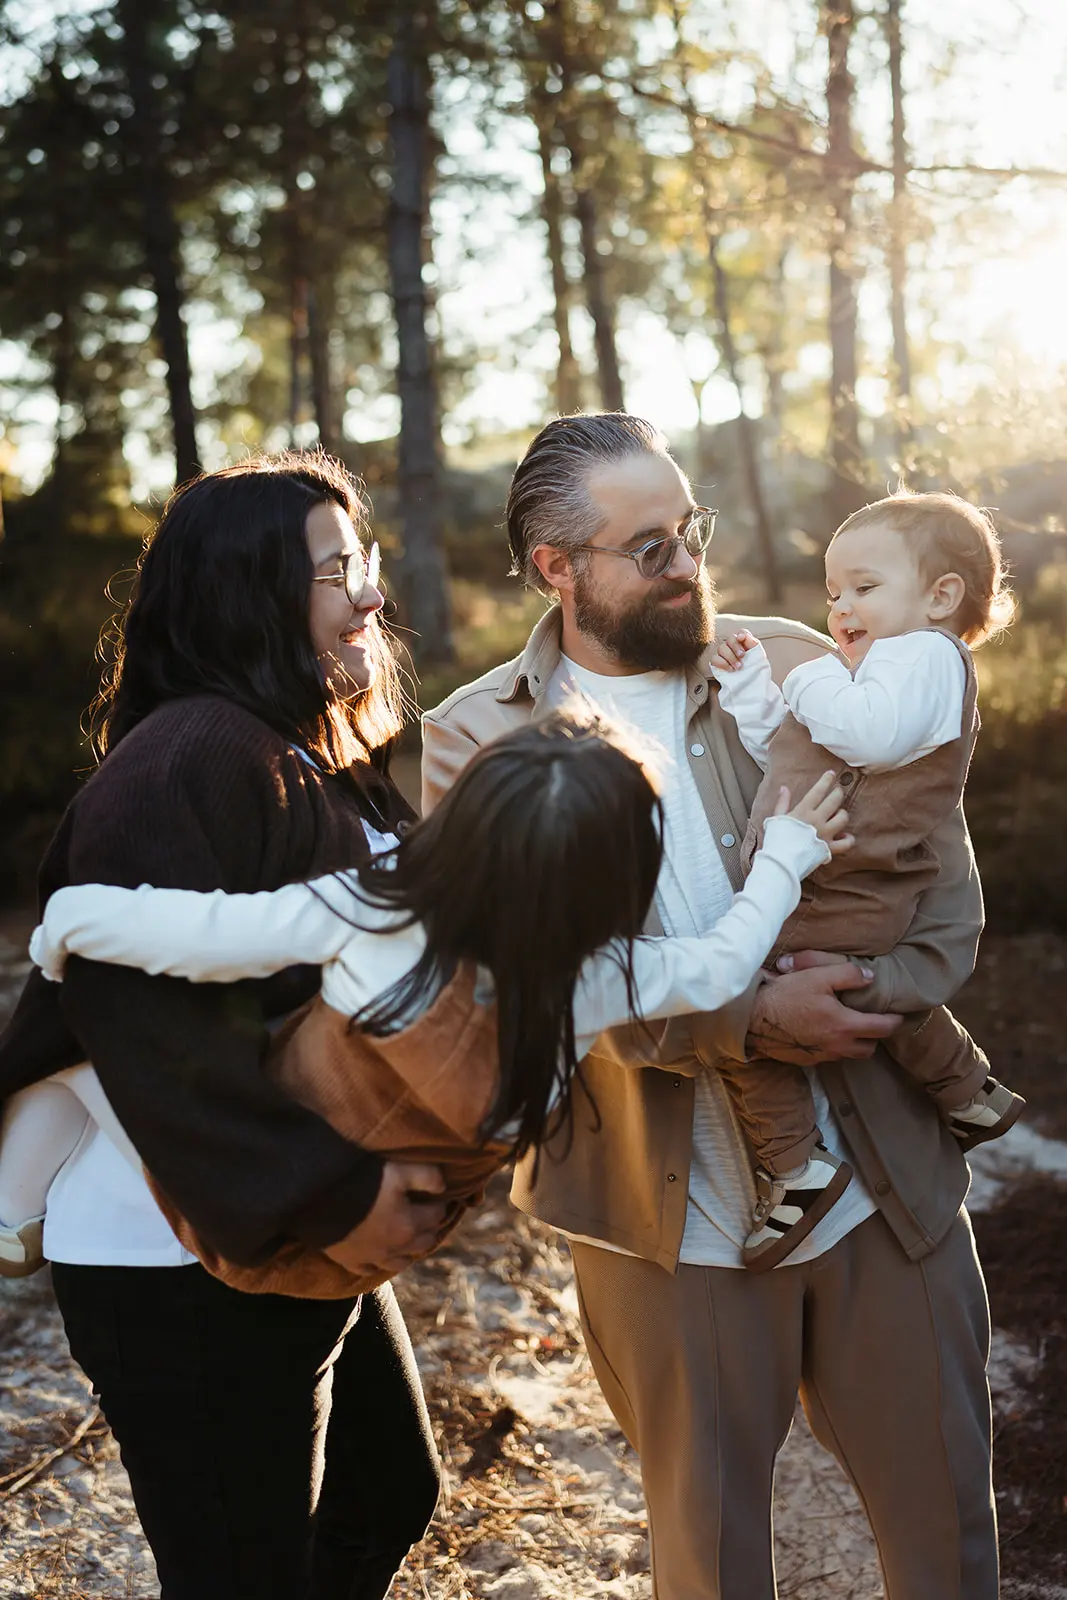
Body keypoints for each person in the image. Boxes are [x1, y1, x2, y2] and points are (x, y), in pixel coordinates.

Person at [421, 414, 999, 1600]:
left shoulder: (791, 662)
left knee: (948, 1537)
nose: (687, 563)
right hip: (661, 1224)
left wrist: (871, 993)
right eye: (650, 546)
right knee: (709, 1562)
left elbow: (933, 882)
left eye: (692, 530)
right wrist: (747, 1022)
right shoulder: (472, 739)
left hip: (881, 1191)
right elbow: (518, 986)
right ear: (556, 569)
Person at [0, 453, 445, 1600]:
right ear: (248, 592)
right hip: (178, 1257)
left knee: (387, 1492)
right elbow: (138, 1017)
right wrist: (335, 1189)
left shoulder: (311, 752)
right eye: (336, 569)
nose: (368, 594)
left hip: (282, 1229)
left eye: (368, 561)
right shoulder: (188, 756)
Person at [6, 711, 848, 1297]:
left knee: (86, 1027)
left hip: (251, 1225)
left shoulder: (378, 904)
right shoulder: (596, 977)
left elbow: (200, 930)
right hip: (358, 1263)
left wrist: (67, 926)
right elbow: (719, 965)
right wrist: (785, 854)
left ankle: (16, 1199)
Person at [708, 490, 1023, 1269]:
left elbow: (864, 735)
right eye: (833, 592)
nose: (841, 607)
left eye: (863, 587)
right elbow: (787, 748)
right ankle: (969, 1092)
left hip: (845, 884)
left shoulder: (924, 658)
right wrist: (754, 691)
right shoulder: (878, 664)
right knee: (853, 992)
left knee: (738, 1005)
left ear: (939, 595)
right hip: (832, 882)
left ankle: (791, 1165)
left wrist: (807, 676)